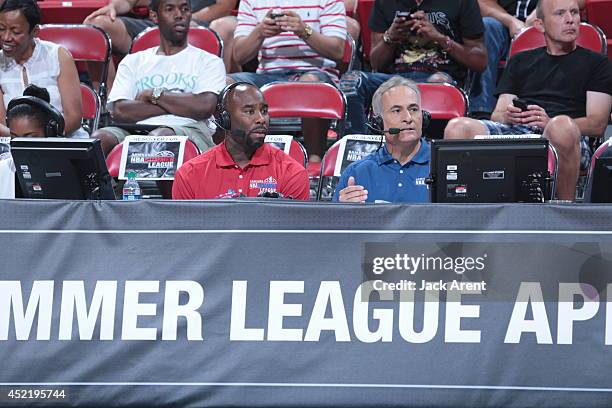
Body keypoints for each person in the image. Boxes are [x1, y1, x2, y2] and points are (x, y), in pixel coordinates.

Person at [444, 0, 612, 201]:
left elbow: (597, 124)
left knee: (561, 127)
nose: (570, 20)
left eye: (574, 13)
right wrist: (509, 116)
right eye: (560, 14)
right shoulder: (520, 60)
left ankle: (565, 211)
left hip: (569, 137)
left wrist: (549, 122)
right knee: (457, 128)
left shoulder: (598, 64)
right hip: (521, 131)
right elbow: (498, 114)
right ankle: (465, 210)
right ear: (540, 24)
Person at [91, 0, 225, 157]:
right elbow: (120, 111)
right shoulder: (134, 61)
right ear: (154, 16)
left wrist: (154, 95)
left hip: (189, 129)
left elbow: (204, 107)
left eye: (185, 9)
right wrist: (181, 104)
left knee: (160, 139)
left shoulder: (209, 61)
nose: (179, 15)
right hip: (135, 130)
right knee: (98, 139)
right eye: (170, 9)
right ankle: (107, 183)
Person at [341, 0, 487, 135]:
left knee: (438, 82)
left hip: (439, 77)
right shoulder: (386, 2)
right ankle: (357, 149)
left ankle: (430, 148)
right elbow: (376, 63)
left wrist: (439, 38)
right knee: (352, 80)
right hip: (395, 79)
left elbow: (479, 61)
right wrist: (391, 37)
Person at [230, 0, 347, 165]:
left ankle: (314, 161)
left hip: (315, 73)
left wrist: (303, 30)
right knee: (229, 84)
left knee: (309, 83)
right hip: (268, 75)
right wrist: (260, 32)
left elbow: (338, 50)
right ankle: (232, 158)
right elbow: (239, 55)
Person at [172, 82, 310, 200]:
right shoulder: (189, 175)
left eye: (264, 111)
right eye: (249, 111)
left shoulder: (292, 173)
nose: (261, 119)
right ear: (225, 119)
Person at [84, 0, 238, 79]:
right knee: (95, 26)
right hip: (157, 22)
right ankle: (108, 106)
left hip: (201, 22)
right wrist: (114, 7)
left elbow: (224, 6)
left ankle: (214, 104)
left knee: (225, 26)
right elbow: (127, 2)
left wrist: (184, 18)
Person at [333, 76, 430, 203]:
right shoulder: (357, 173)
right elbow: (332, 221)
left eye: (413, 109)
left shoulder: (445, 166)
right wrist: (342, 212)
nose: (408, 117)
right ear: (378, 122)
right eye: (396, 110)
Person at [0, 0, 86, 138]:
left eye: (15, 31)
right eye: (1, 29)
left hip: (62, 139)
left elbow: (74, 117)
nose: (6, 37)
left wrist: (42, 140)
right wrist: (22, 141)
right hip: (14, 145)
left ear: (34, 31)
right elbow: (2, 124)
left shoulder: (58, 56)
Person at [468, 0, 538, 118]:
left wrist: (543, 10)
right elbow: (482, 3)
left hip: (545, 25)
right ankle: (481, 111)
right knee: (487, 26)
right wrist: (511, 21)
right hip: (505, 28)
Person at [0, 85, 62, 198]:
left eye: (30, 138)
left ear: (49, 133)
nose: (21, 146)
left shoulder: (67, 172)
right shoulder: (3, 170)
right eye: (15, 138)